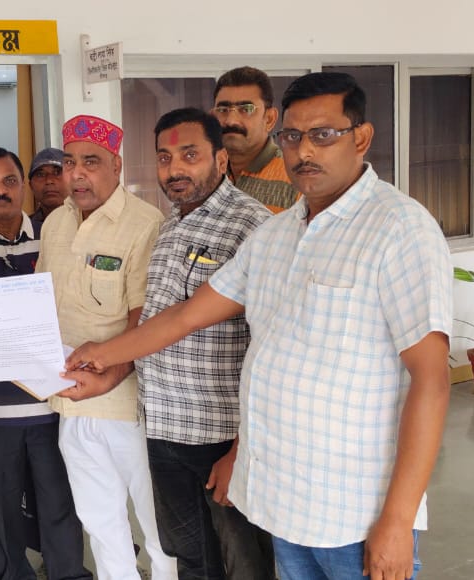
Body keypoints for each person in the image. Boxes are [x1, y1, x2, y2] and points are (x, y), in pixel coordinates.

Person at [66, 72, 453, 580]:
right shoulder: (276, 234)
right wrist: (101, 353)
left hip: (354, 511)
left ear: (361, 138)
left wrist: (399, 521)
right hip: (283, 500)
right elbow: (187, 315)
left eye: (323, 134)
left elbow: (432, 380)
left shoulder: (399, 228)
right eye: (292, 136)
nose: (304, 151)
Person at [38, 114, 177, 580]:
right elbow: (43, 304)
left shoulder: (144, 224)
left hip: (130, 408)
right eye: (69, 163)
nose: (76, 174)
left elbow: (145, 318)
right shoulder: (55, 223)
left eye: (91, 162)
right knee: (100, 524)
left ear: (116, 166)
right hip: (71, 402)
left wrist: (110, 375)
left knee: (158, 529)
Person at [141, 107, 274, 580]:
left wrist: (240, 450)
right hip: (164, 430)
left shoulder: (254, 227)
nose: (174, 168)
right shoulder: (168, 226)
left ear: (220, 160)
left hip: (220, 439)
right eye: (164, 157)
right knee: (191, 560)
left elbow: (269, 349)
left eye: (189, 155)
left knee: (244, 566)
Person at [0, 147, 91, 580]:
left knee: (60, 502)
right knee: (3, 510)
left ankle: (68, 573)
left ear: (23, 185)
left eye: (9, 181)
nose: (1, 191)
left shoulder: (54, 236)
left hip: (52, 403)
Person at [213, 66, 298, 212]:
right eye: (223, 110)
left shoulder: (295, 178)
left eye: (246, 109)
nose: (231, 120)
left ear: (269, 119)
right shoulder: (207, 174)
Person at [29, 147, 68, 227]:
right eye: (40, 175)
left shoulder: (89, 224)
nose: (49, 181)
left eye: (57, 172)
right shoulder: (25, 229)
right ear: (31, 186)